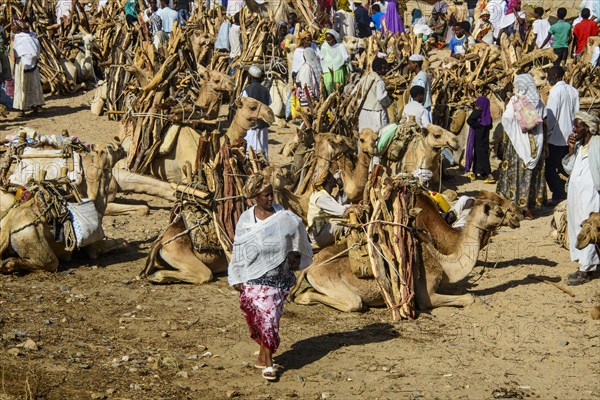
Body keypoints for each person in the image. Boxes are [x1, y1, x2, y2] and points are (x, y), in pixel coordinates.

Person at [228, 174, 312, 381]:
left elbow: (297, 232)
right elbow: (239, 248)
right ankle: (267, 362)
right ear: (255, 197)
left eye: (271, 194)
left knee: (271, 320)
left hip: (279, 276)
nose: (269, 199)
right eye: (265, 195)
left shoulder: (282, 215)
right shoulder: (247, 219)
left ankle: (266, 359)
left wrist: (295, 255)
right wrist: (237, 276)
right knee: (261, 320)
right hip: (253, 277)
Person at [496, 73, 547, 219]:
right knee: (531, 174)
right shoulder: (538, 102)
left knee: (515, 173)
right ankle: (529, 208)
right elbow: (545, 123)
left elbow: (506, 119)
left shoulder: (515, 101)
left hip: (517, 146)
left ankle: (515, 205)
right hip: (536, 144)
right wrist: (544, 146)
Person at [562, 112, 600, 285]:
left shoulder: (597, 144)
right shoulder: (578, 146)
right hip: (576, 194)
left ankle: (585, 270)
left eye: (577, 126)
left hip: (591, 194)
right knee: (576, 225)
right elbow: (570, 170)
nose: (574, 130)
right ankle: (585, 265)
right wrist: (570, 149)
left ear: (587, 128)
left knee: (588, 229)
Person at [545, 66, 579, 205]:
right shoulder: (573, 91)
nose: (548, 78)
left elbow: (552, 116)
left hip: (556, 137)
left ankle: (559, 194)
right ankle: (566, 192)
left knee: (549, 168)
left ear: (555, 75)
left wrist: (547, 132)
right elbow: (576, 113)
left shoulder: (555, 92)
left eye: (549, 75)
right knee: (564, 166)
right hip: (570, 135)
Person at [307, 170, 351, 248]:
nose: (334, 180)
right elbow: (341, 211)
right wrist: (352, 207)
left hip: (321, 229)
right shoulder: (322, 198)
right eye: (332, 178)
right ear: (329, 181)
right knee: (347, 223)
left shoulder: (320, 194)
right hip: (318, 236)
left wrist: (341, 188)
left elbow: (338, 205)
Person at [12, 21, 44, 118]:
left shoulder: (21, 37)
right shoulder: (31, 36)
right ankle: (34, 107)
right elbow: (37, 51)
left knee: (22, 86)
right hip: (31, 64)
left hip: (22, 64)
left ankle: (22, 110)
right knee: (31, 85)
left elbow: (15, 52)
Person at [242, 66, 272, 159]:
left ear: (250, 77)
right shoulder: (265, 90)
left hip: (251, 126)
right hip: (263, 125)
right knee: (263, 149)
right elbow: (269, 103)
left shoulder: (247, 90)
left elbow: (243, 107)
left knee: (251, 150)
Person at [355, 58, 392, 132]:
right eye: (384, 68)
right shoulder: (379, 81)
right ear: (378, 69)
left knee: (365, 137)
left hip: (363, 113)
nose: (386, 70)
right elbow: (381, 98)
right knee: (378, 136)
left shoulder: (364, 78)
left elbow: (354, 92)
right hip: (376, 114)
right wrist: (389, 102)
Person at [465, 96, 495, 183]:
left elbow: (469, 120)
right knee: (477, 156)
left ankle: (490, 175)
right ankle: (475, 173)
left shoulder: (478, 113)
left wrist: (476, 111)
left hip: (478, 139)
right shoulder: (488, 117)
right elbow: (490, 126)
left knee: (483, 157)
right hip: (484, 140)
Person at [320, 30, 351, 96]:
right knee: (329, 90)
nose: (328, 42)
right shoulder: (324, 47)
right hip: (327, 73)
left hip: (338, 72)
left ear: (334, 38)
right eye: (327, 40)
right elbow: (321, 59)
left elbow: (346, 58)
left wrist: (351, 69)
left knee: (338, 90)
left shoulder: (340, 47)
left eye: (330, 39)